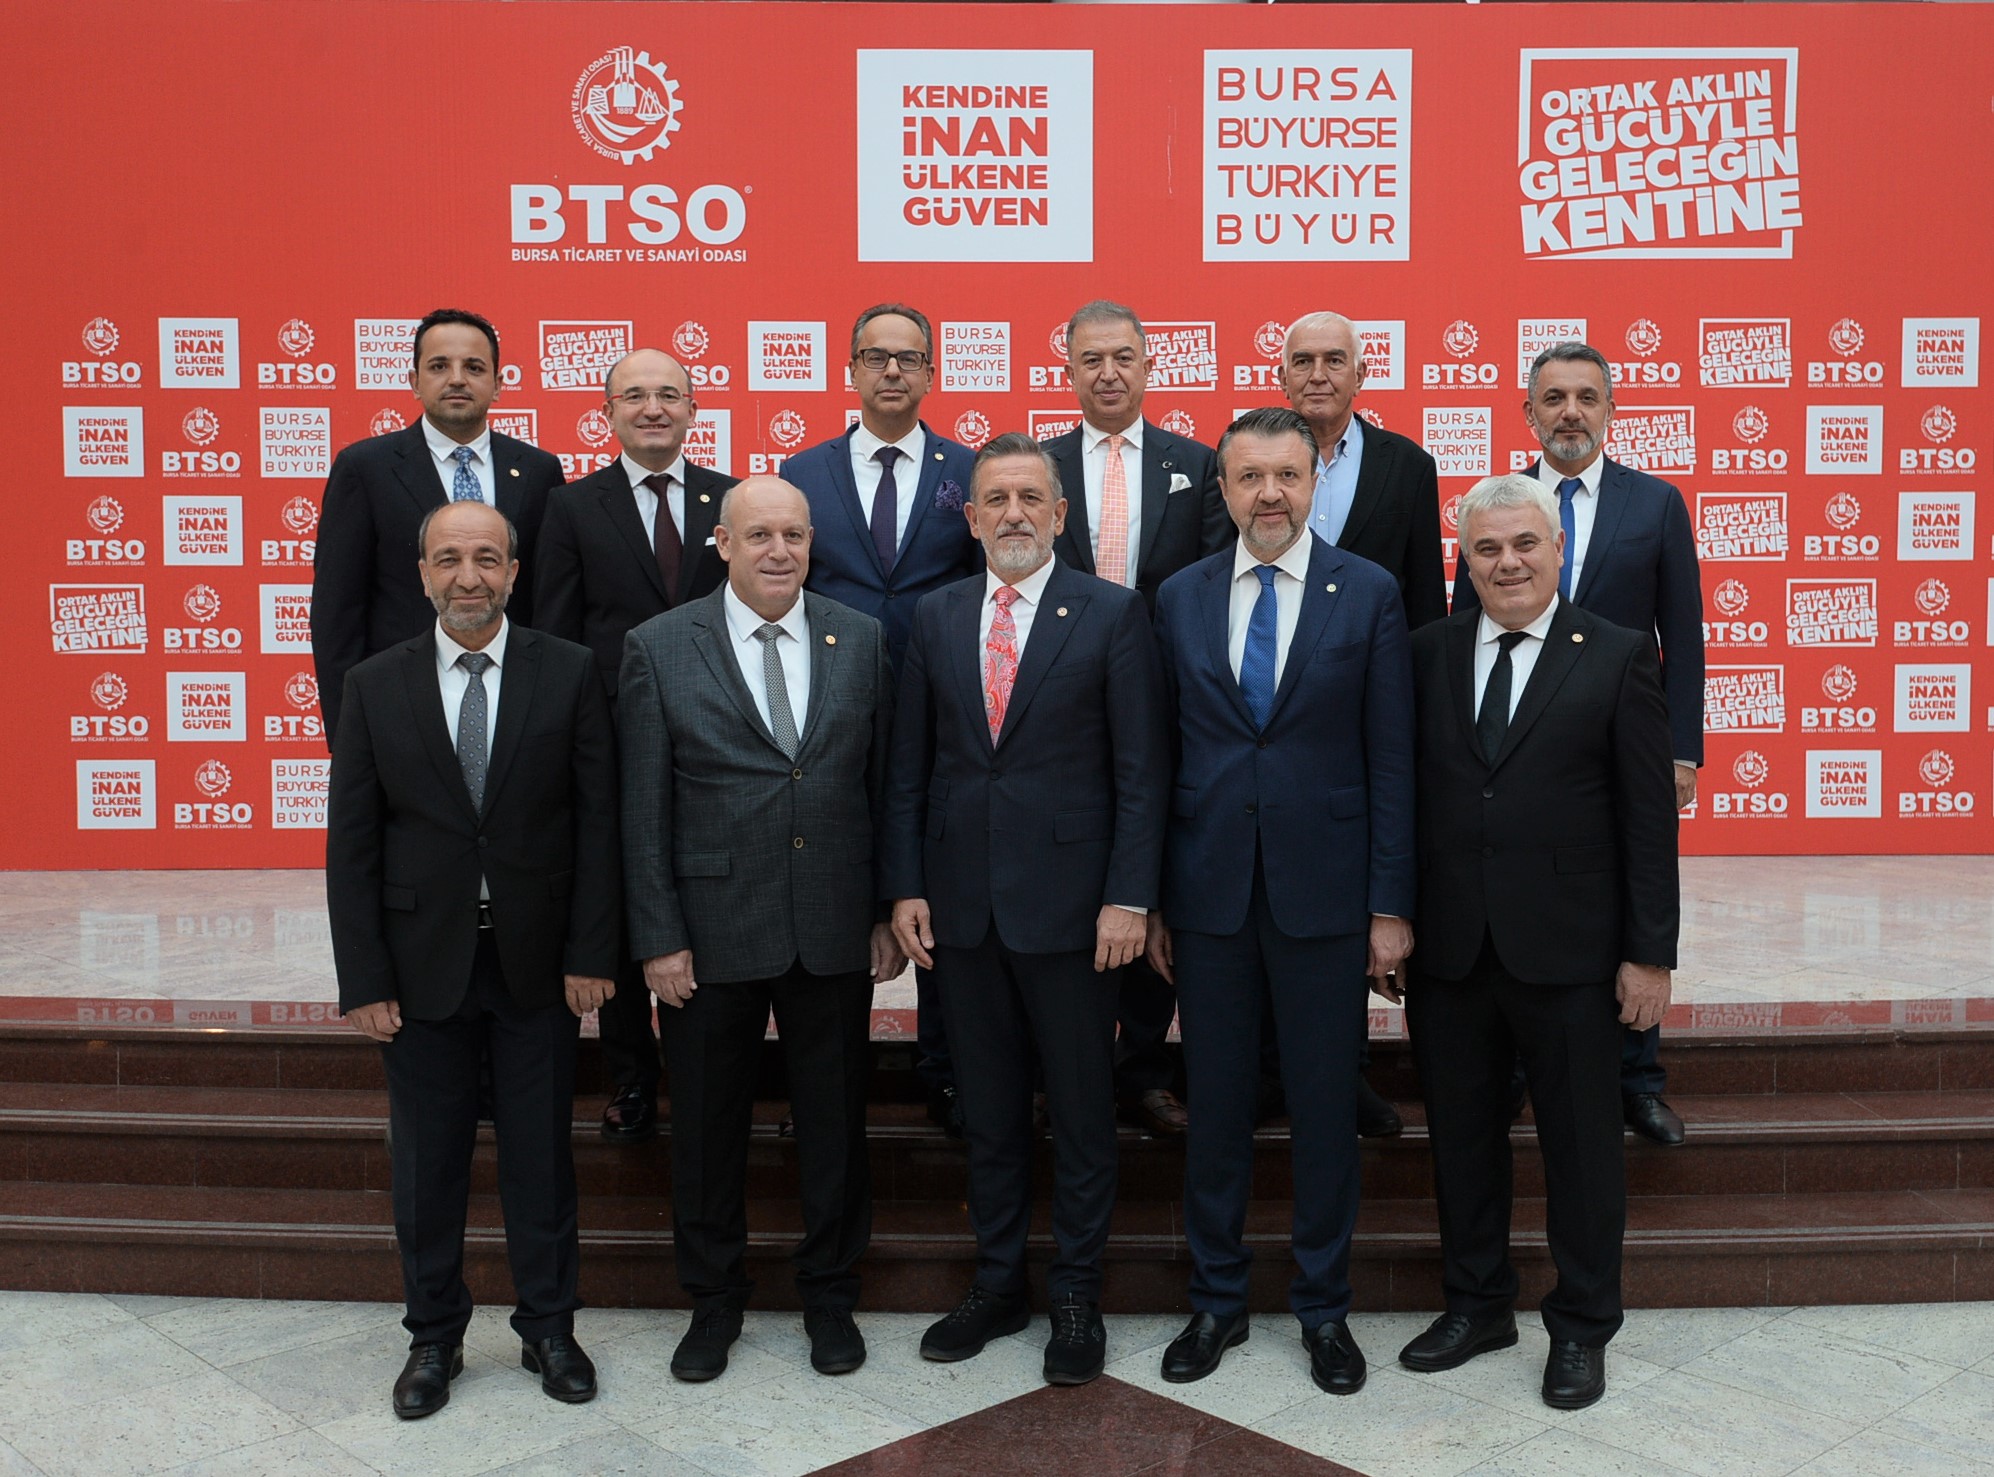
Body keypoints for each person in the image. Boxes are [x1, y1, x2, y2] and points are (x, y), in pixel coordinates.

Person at [882, 433, 1167, 1387]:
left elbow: (1141, 771)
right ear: (970, 518)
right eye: (995, 499)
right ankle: (999, 1282)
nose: (1013, 513)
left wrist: (1129, 895)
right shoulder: (934, 614)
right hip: (962, 913)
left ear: (1059, 515)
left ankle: (1076, 1292)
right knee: (991, 1113)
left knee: (1082, 1114)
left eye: (1030, 498)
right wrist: (905, 885)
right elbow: (910, 766)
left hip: (1080, 916)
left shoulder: (1114, 613)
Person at [326, 499, 618, 1419]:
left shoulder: (569, 670)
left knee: (542, 1159)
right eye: (449, 558)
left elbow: (598, 823)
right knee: (427, 1165)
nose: (469, 576)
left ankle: (549, 1327)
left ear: (513, 572)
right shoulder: (373, 683)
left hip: (539, 964)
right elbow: (353, 845)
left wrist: (592, 950)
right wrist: (364, 979)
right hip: (419, 970)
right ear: (422, 573)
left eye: (487, 558)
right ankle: (433, 1335)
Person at [1144, 407, 1414, 1397]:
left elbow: (1392, 758)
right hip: (1207, 895)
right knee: (1215, 1108)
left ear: (1312, 483)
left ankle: (1323, 1308)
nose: (1269, 494)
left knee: (1323, 1110)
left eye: (1287, 476)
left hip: (1326, 897)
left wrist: (1389, 905)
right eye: (1249, 476)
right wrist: (1152, 898)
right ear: (1221, 488)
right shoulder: (1177, 596)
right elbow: (1157, 756)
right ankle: (1215, 1300)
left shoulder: (1369, 591)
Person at [1401, 473, 1678, 1411]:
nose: (1508, 562)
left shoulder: (1618, 653)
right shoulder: (1427, 652)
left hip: (1573, 954)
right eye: (1487, 548)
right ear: (1465, 560)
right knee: (1461, 1141)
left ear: (1559, 548)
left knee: (1582, 1149)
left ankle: (1583, 1326)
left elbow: (1649, 821)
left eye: (1525, 543)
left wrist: (1650, 953)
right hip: (1451, 950)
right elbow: (1408, 797)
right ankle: (1477, 1304)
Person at [620, 476, 900, 1382]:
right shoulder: (659, 645)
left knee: (835, 1122)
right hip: (707, 932)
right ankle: (713, 1300)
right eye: (760, 535)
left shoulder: (860, 637)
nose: (779, 551)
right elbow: (642, 808)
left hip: (832, 924)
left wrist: (883, 908)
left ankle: (831, 1294)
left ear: (813, 543)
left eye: (795, 535)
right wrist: (658, 936)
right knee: (706, 1128)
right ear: (723, 543)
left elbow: (883, 786)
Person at [1449, 341, 1702, 1147]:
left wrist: (1682, 750)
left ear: (1611, 410)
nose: (1570, 412)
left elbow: (1682, 634)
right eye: (1553, 398)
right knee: (1528, 904)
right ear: (1528, 413)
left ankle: (1637, 1080)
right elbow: (1463, 629)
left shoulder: (1655, 503)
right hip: (1519, 745)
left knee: (1628, 903)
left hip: (1623, 740)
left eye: (1586, 397)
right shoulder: (1498, 507)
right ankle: (1516, 1070)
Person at [785, 303, 981, 1137]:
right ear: (851, 370)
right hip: (831, 714)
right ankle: (829, 1081)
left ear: (932, 371)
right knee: (835, 888)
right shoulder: (803, 469)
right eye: (875, 356)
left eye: (908, 357)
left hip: (945, 714)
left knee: (936, 890)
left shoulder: (968, 469)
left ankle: (946, 1070)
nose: (892, 370)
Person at [536, 348, 740, 1145]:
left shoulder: (730, 498)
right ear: (608, 412)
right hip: (612, 735)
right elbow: (557, 632)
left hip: (719, 735)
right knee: (623, 898)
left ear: (693, 408)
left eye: (668, 394)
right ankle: (631, 1072)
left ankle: (706, 1063)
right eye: (634, 396)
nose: (653, 408)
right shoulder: (570, 507)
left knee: (707, 888)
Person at [1041, 300, 1230, 1136]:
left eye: (1123, 356)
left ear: (1150, 365)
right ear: (1069, 371)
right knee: (1066, 879)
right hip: (1057, 707)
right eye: (1091, 359)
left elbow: (1215, 582)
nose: (1108, 372)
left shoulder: (1199, 464)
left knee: (1151, 876)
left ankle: (1145, 1068)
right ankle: (1061, 1069)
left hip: (1167, 703)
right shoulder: (1036, 467)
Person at [1280, 309, 1448, 1139]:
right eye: (1303, 360)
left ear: (1361, 373)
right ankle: (1269, 1069)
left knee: (1348, 901)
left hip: (1365, 718)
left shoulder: (1408, 466)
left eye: (1334, 359)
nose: (1319, 373)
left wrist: (1418, 719)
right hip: (1271, 715)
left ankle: (1342, 1074)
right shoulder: (1247, 457)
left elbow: (1425, 605)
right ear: (1282, 374)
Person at [312, 308, 564, 741]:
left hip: (516, 703)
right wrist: (349, 733)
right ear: (414, 381)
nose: (457, 379)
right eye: (439, 366)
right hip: (401, 703)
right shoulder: (365, 468)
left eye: (474, 367)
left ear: (498, 384)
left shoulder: (539, 470)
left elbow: (550, 598)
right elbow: (337, 611)